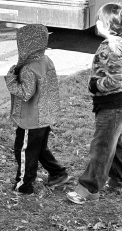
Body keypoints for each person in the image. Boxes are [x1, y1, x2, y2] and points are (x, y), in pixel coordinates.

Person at [65, 3, 122, 205]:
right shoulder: (112, 42)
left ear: (108, 25)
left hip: (112, 103)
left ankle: (88, 189)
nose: (95, 23)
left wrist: (96, 85)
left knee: (102, 147)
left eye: (98, 20)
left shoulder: (113, 47)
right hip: (110, 103)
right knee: (114, 143)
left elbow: (116, 78)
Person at [4, 24, 72, 195]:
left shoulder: (28, 68)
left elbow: (25, 94)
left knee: (24, 150)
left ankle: (24, 185)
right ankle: (58, 173)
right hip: (45, 115)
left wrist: (11, 80)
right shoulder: (46, 60)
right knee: (39, 148)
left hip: (31, 119)